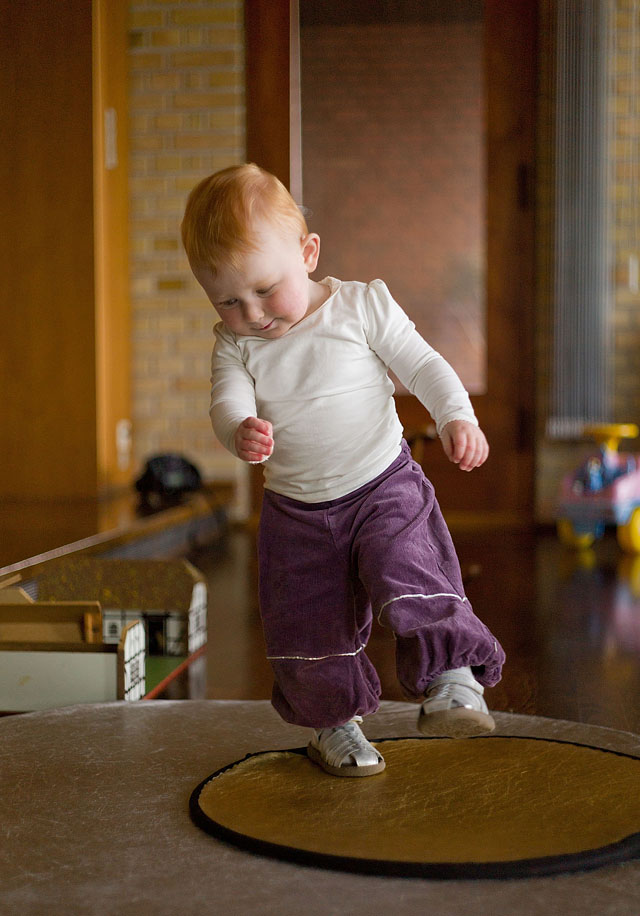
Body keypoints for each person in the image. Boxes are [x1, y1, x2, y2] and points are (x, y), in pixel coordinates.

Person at [181, 163, 506, 778]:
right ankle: (334, 724)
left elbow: (423, 364)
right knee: (307, 620)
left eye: (265, 289)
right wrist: (237, 430)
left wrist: (458, 416)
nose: (251, 312)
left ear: (307, 253)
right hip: (296, 512)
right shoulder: (236, 344)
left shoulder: (360, 306)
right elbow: (228, 402)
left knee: (409, 571)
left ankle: (453, 678)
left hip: (383, 484)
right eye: (227, 300)